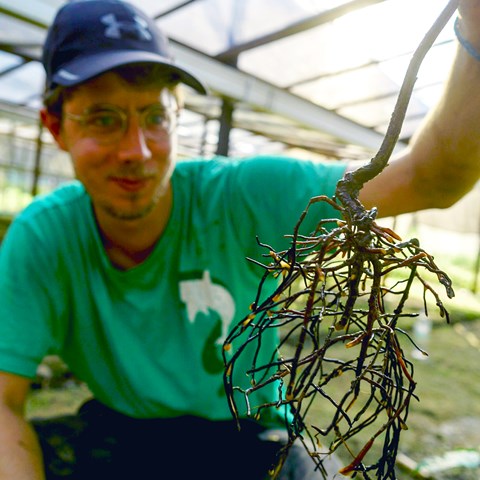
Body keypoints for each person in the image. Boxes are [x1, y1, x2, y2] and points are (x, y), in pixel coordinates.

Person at [0, 0, 479, 479]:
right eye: (103, 118)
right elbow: (5, 403)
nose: (136, 150)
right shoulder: (44, 238)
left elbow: (432, 178)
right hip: (122, 434)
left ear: (178, 114)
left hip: (250, 439)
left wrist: (474, 26)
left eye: (155, 116)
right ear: (56, 127)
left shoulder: (244, 196)